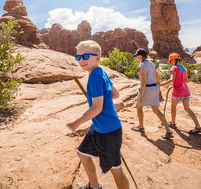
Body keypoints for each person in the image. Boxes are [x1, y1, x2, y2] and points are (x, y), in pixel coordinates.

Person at [66, 40, 129, 189]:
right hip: (99, 127)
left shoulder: (94, 77)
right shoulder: (101, 72)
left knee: (116, 169)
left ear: (98, 57)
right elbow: (115, 94)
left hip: (108, 132)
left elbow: (96, 109)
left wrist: (76, 123)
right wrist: (102, 98)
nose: (81, 60)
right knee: (82, 153)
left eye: (86, 56)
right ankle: (94, 186)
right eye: (78, 57)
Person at [131, 48, 173, 139]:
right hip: (153, 88)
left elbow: (143, 82)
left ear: (141, 56)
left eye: (137, 56)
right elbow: (156, 74)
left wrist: (141, 96)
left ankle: (141, 127)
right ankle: (168, 131)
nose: (136, 57)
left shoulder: (142, 65)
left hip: (147, 89)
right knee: (156, 110)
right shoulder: (151, 64)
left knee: (139, 107)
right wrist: (158, 86)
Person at [160, 53, 201, 134]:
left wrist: (162, 84)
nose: (171, 63)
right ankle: (198, 127)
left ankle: (173, 124)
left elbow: (172, 79)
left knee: (173, 108)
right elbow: (186, 81)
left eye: (171, 61)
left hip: (177, 92)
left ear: (174, 60)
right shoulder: (184, 68)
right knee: (187, 109)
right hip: (186, 92)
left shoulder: (174, 68)